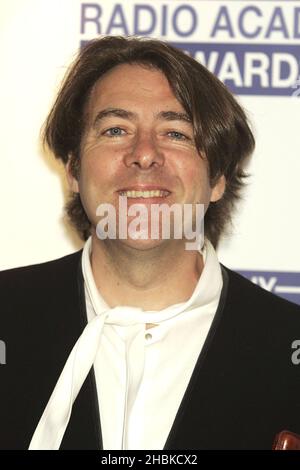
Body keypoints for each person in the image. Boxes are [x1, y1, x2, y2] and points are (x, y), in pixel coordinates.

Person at [0, 35, 300, 451]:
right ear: (73, 168)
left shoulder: (288, 347)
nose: (144, 154)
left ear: (217, 178)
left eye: (175, 133)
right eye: (115, 129)